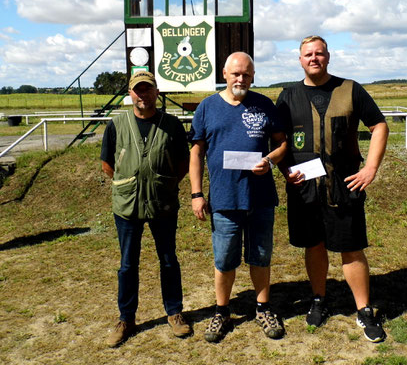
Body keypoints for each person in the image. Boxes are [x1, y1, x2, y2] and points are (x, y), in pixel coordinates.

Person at [276, 36, 389, 342]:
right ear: (300, 60)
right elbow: (277, 139)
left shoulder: (350, 89)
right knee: (313, 245)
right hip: (304, 189)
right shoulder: (288, 95)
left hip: (344, 186)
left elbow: (379, 126)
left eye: (319, 53)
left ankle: (365, 311)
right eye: (308, 54)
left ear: (328, 57)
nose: (314, 58)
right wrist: (284, 169)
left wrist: (371, 168)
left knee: (351, 249)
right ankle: (318, 299)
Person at [189, 52, 288, 342]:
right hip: (223, 199)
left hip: (260, 198)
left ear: (253, 75)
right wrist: (197, 194)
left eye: (246, 74)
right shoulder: (207, 107)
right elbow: (196, 153)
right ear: (224, 74)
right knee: (224, 260)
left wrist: (269, 161)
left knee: (260, 257)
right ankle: (221, 312)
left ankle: (263, 308)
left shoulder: (264, 105)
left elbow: (282, 144)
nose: (240, 79)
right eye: (235, 74)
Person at [101, 71, 192, 347]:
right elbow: (108, 165)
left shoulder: (172, 125)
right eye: (137, 90)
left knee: (168, 260)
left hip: (162, 204)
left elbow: (183, 165)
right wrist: (131, 182)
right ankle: (126, 318)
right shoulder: (116, 125)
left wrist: (160, 183)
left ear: (156, 92)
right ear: (130, 93)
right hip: (127, 206)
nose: (143, 95)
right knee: (128, 264)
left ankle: (174, 313)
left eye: (148, 89)